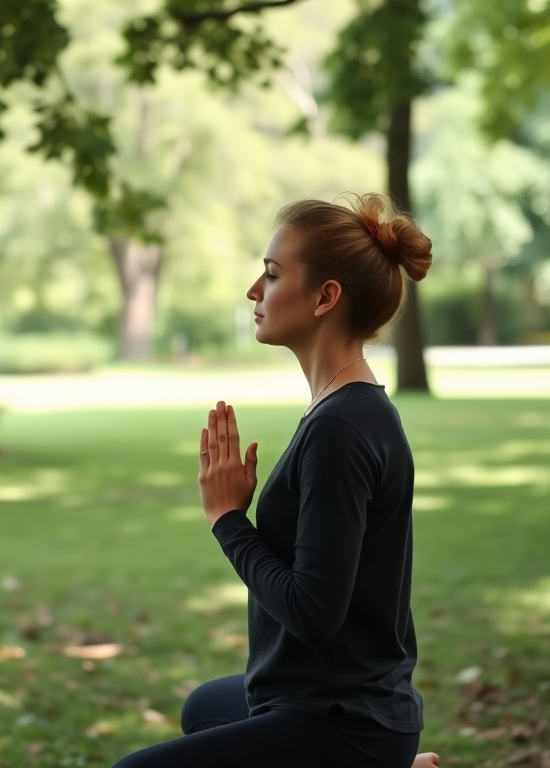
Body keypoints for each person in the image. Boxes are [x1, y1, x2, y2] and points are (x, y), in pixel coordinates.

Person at [112, 193, 439, 768]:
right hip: (328, 697)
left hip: (344, 724)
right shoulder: (346, 409)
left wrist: (227, 520)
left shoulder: (341, 428)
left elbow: (313, 613)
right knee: (205, 708)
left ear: (325, 297)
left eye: (271, 274)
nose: (253, 291)